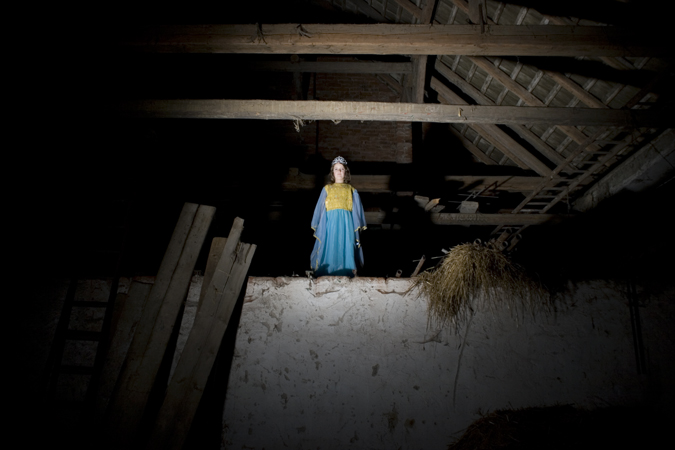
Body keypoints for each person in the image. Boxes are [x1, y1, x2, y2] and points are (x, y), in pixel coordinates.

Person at [310, 156, 366, 277]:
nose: (339, 171)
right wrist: (322, 227)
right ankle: (328, 271)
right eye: (336, 169)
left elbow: (356, 212)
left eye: (341, 169)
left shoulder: (351, 190)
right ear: (332, 172)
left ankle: (347, 271)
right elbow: (320, 210)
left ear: (346, 172)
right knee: (330, 245)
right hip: (330, 224)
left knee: (346, 245)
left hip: (347, 224)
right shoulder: (327, 189)